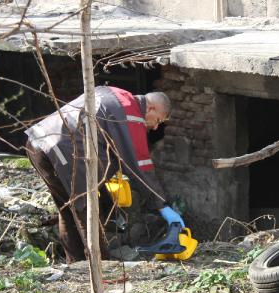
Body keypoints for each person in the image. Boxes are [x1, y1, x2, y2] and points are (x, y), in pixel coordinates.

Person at [25, 86, 184, 263]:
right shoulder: (131, 116)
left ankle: (77, 266)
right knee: (89, 214)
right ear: (151, 108)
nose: (155, 127)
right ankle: (101, 267)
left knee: (69, 211)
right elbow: (140, 165)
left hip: (37, 142)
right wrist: (162, 205)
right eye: (158, 121)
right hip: (62, 153)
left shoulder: (114, 93)